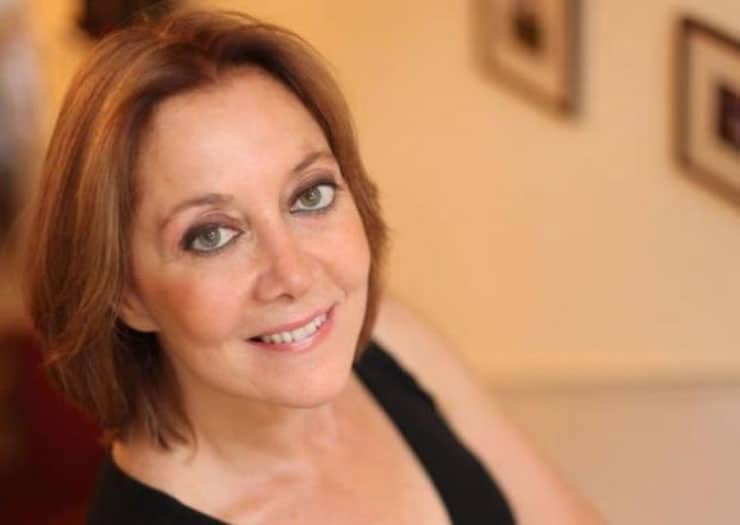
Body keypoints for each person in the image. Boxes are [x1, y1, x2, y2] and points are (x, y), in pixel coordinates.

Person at [24, 9, 602, 525]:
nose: (295, 275)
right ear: (126, 294)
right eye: (212, 235)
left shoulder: (389, 338)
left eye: (310, 195)